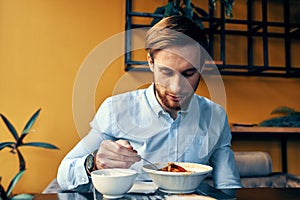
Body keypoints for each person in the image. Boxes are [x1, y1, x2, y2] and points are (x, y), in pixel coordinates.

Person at [57, 15, 241, 195]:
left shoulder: (215, 116)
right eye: (166, 72)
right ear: (150, 62)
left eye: (189, 73)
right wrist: (94, 163)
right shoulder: (116, 110)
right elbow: (64, 175)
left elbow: (228, 186)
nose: (177, 88)